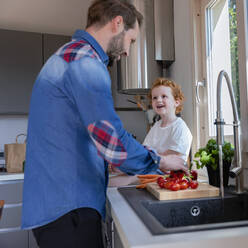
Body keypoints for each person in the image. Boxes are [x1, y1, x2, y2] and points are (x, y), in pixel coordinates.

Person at [21, 1, 186, 248]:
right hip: (69, 210)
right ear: (117, 22)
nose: (128, 52)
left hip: (56, 207)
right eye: (131, 40)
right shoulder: (86, 63)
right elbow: (114, 144)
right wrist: (160, 160)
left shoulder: (67, 55)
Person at [108, 78, 193, 186]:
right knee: (122, 174)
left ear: (176, 102)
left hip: (168, 176)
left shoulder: (180, 127)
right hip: (151, 169)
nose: (158, 100)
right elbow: (145, 151)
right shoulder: (156, 126)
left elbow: (172, 158)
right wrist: (128, 166)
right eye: (154, 98)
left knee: (131, 178)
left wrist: (136, 163)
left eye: (164, 96)